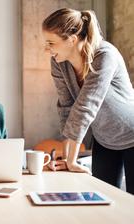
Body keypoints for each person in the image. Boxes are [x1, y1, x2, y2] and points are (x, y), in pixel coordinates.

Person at [42, 8, 134, 194]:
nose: (47, 48)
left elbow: (86, 106)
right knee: (101, 199)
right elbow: (67, 108)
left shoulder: (104, 55)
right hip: (104, 139)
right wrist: (68, 158)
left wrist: (72, 161)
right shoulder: (58, 62)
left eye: (51, 43)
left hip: (131, 132)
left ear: (72, 40)